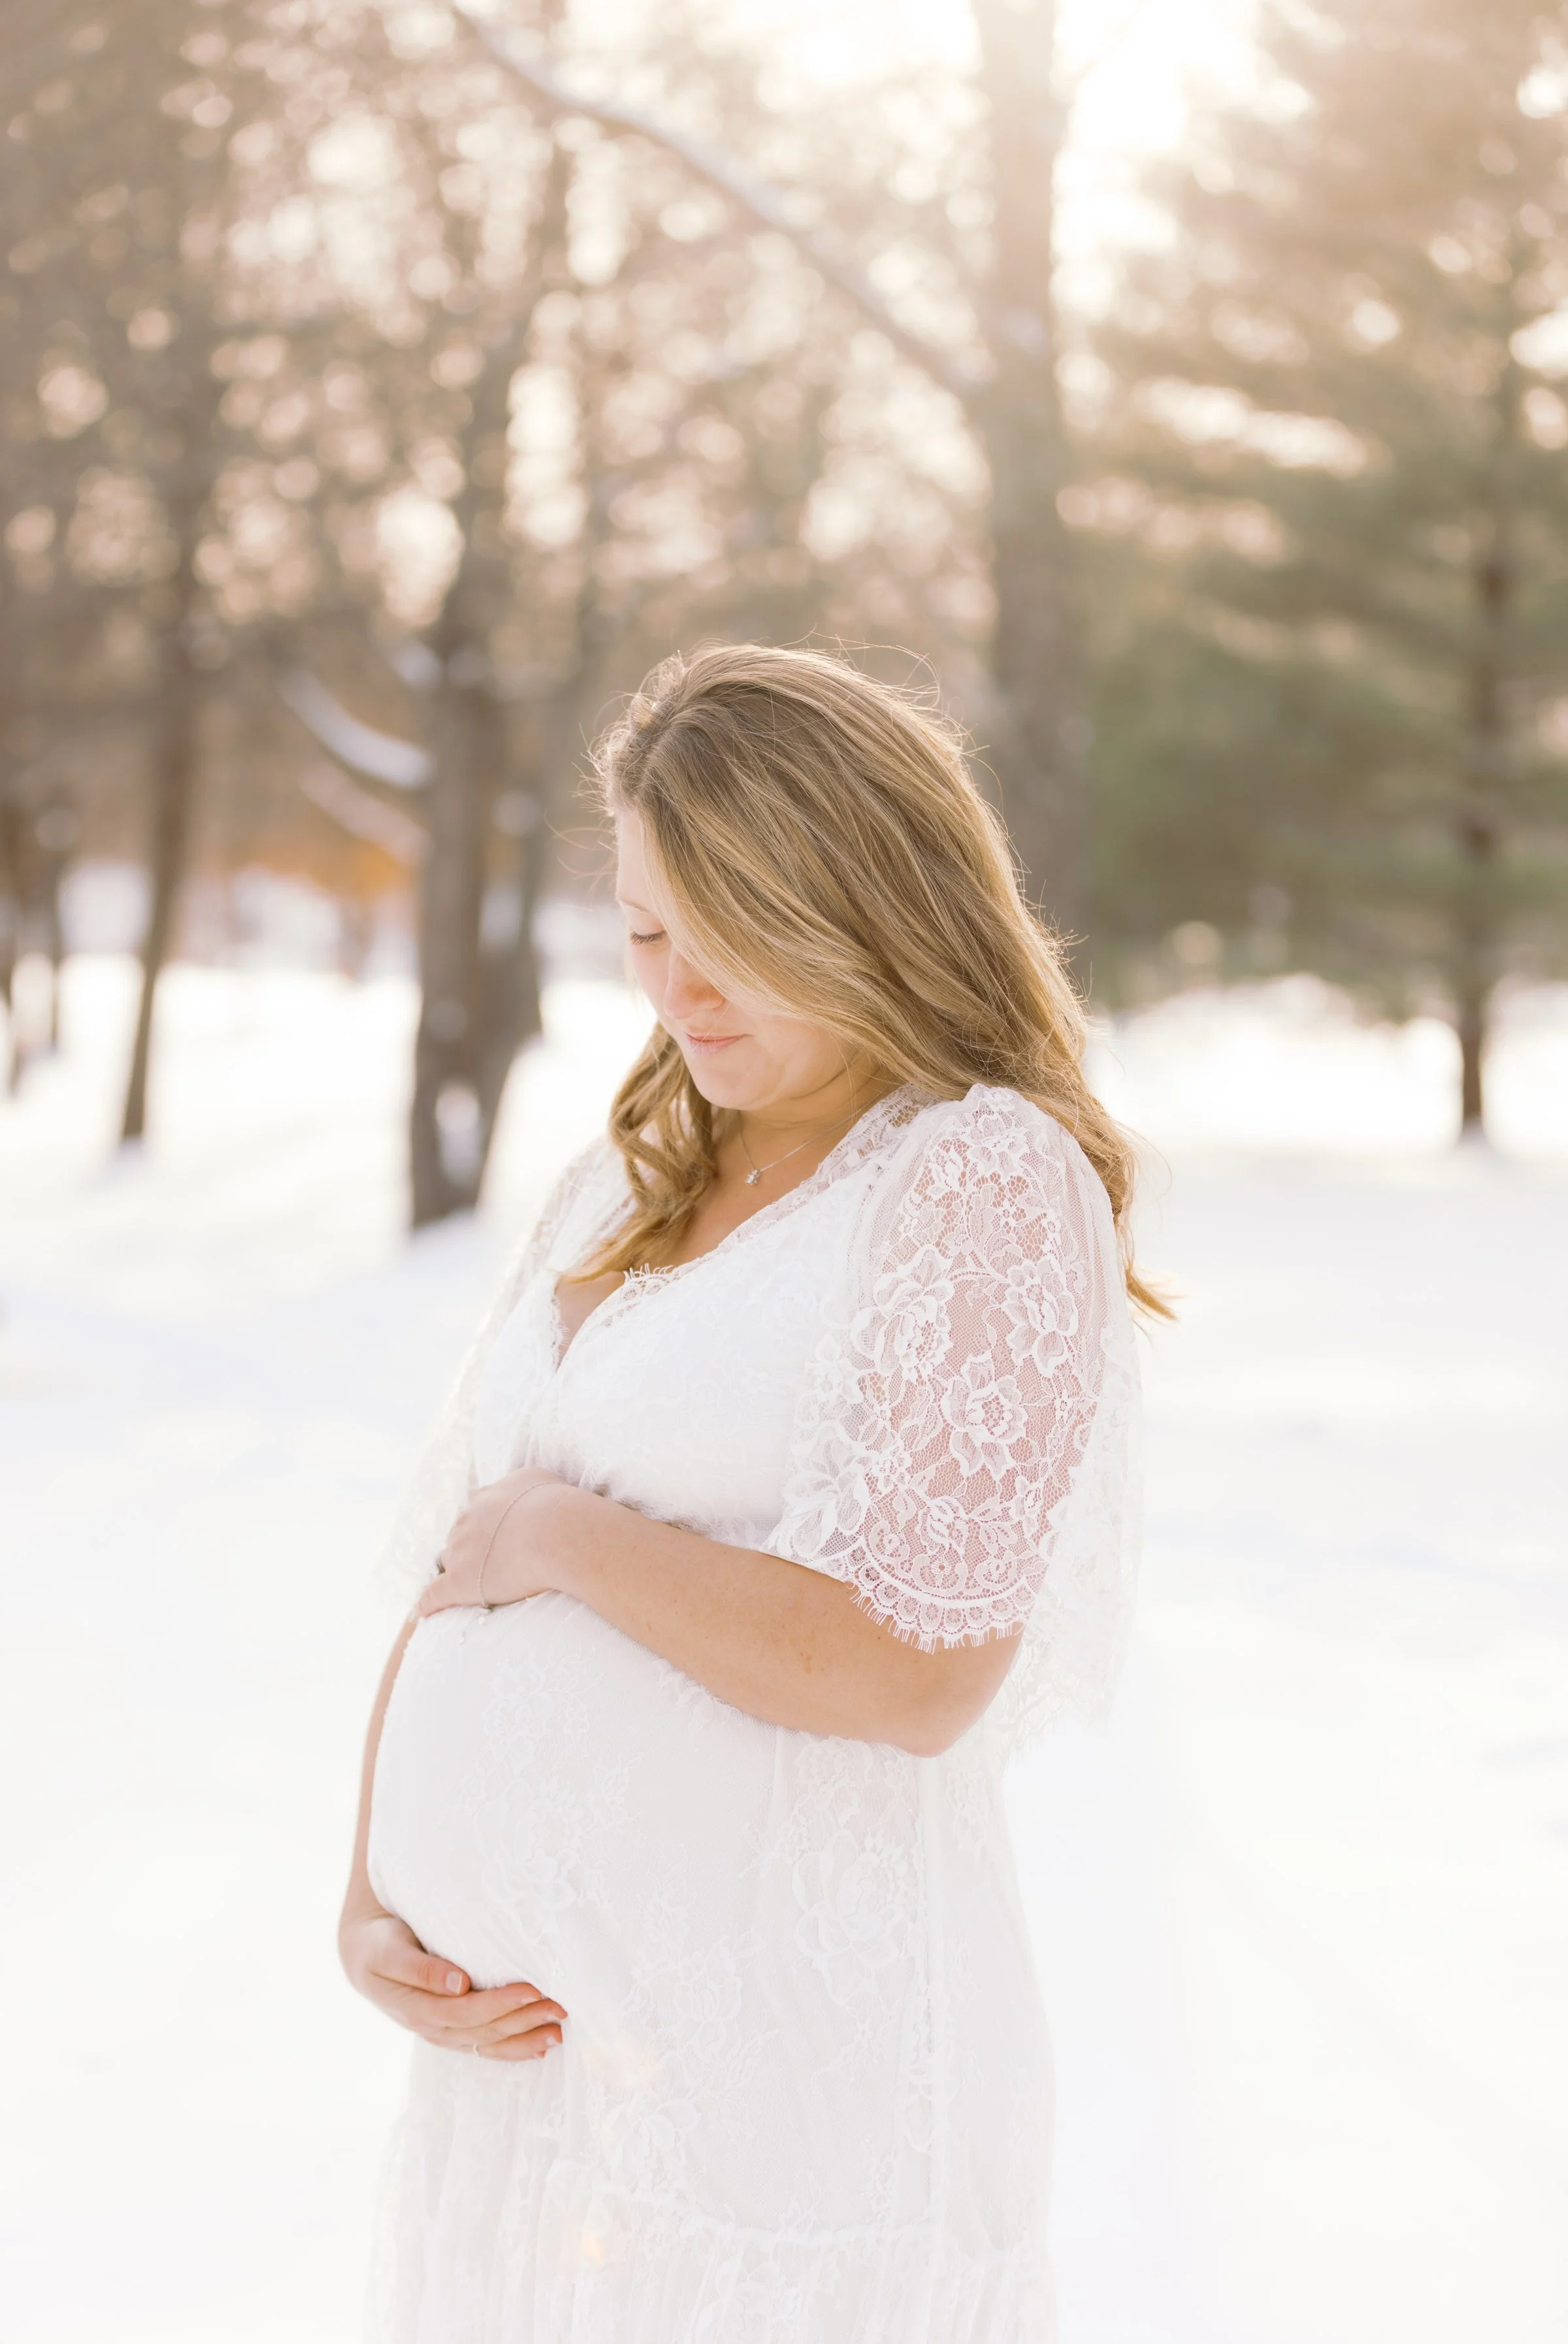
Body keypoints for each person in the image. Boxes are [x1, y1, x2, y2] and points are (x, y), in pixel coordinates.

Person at [339, 643, 1156, 2342]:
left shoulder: (973, 1179)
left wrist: (571, 1537)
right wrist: (375, 1898)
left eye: (737, 934)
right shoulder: (636, 1171)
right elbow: (458, 1561)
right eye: (649, 932)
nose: (683, 990)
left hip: (788, 2114)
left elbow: (915, 1669)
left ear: (867, 906)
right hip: (538, 2087)